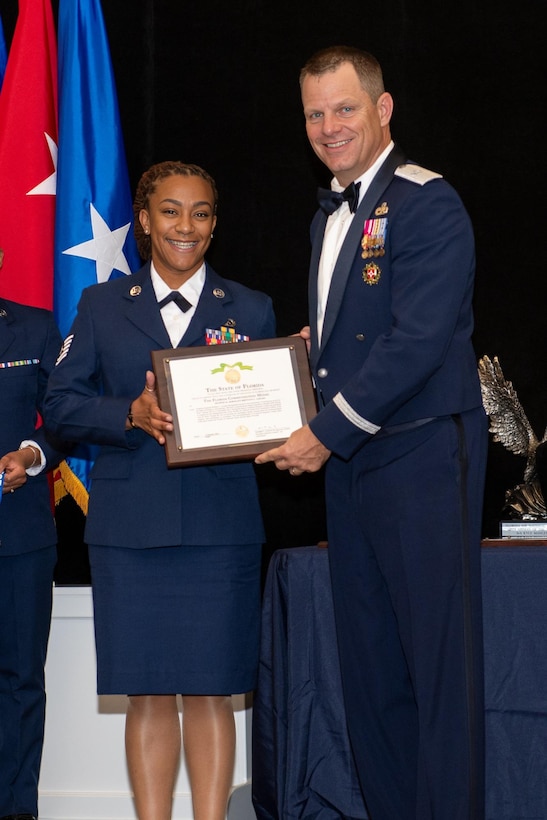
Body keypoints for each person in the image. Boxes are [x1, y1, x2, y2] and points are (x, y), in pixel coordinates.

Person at [255, 46, 487, 820]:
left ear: (382, 110)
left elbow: (415, 342)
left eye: (344, 108)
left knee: (434, 668)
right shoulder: (330, 211)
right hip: (354, 464)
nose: (329, 126)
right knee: (369, 666)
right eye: (315, 114)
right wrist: (287, 363)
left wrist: (324, 431)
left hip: (419, 452)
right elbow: (348, 336)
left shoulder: (428, 203)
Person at [43, 161, 276, 820]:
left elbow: (270, 410)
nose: (185, 226)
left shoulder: (251, 307)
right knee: (146, 692)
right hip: (130, 529)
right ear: (143, 221)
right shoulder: (101, 305)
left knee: (210, 693)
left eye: (200, 213)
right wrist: (128, 415)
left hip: (219, 529)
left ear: (214, 225)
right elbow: (59, 405)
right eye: (170, 211)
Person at [0, 247, 67, 820]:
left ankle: (17, 809)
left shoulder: (35, 328)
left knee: (21, 681)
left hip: (19, 536)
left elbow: (65, 417)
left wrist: (32, 453)